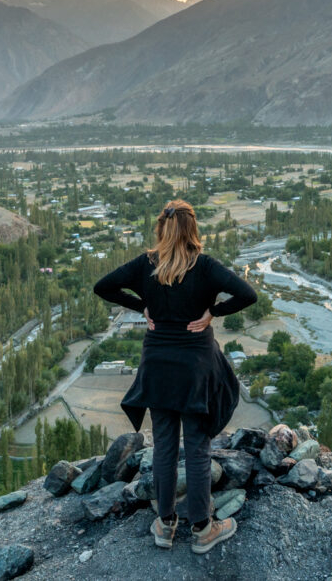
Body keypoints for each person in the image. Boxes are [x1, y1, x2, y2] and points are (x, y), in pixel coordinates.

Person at [93, 199, 257, 554]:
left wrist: (143, 306)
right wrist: (214, 311)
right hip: (194, 370)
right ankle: (202, 529)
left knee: (165, 446)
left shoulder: (145, 265)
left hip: (158, 368)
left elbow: (103, 287)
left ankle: (165, 525)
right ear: (192, 229)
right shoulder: (206, 267)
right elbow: (248, 294)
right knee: (197, 448)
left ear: (162, 228)